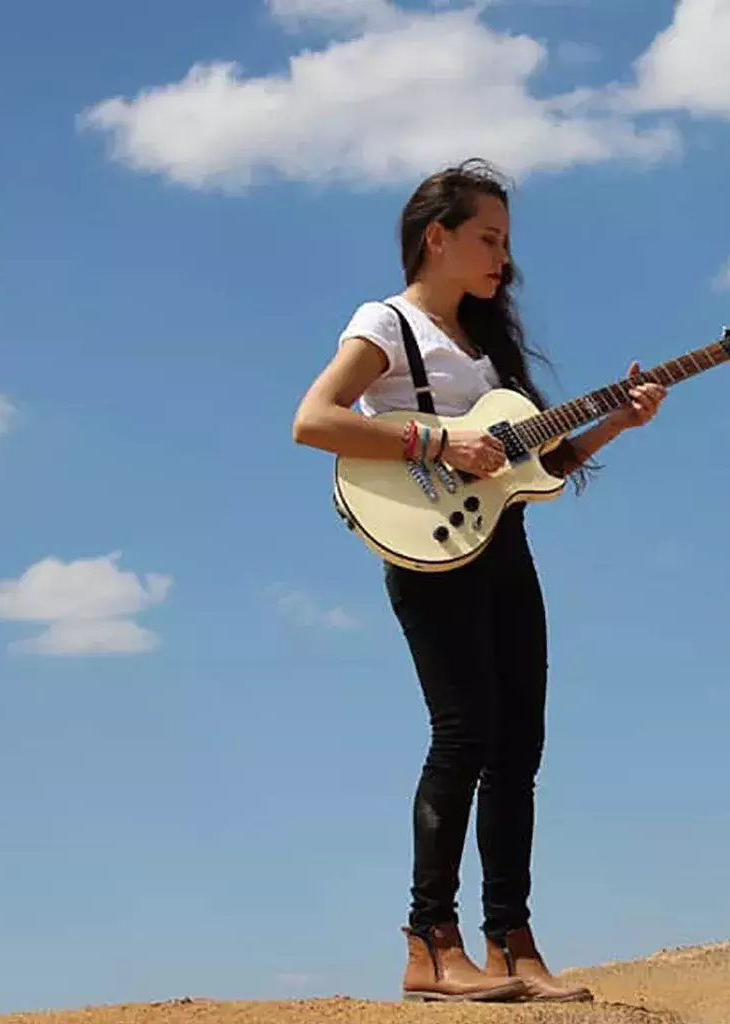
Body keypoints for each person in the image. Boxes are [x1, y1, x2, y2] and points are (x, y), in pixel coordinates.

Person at [291, 158, 667, 1003]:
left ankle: (512, 945)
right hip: (425, 546)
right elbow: (313, 421)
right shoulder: (386, 325)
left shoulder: (486, 346)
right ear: (439, 238)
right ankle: (430, 941)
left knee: (518, 747)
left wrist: (618, 419)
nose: (504, 256)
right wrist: (438, 445)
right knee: (462, 732)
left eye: (507, 240)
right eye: (489, 238)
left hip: (505, 546)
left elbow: (543, 466)